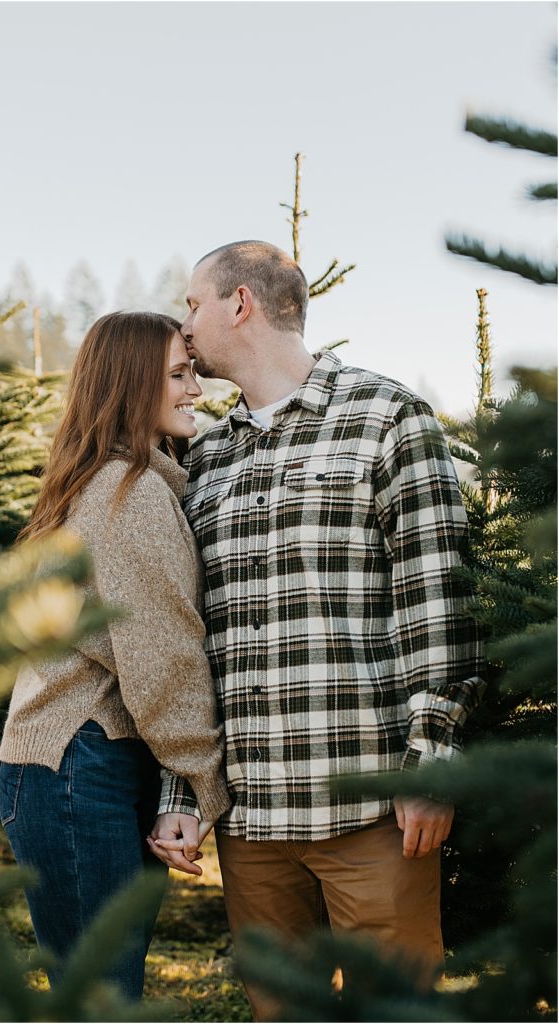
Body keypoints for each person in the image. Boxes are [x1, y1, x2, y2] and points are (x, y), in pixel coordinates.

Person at [148, 241, 485, 1019]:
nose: (185, 325)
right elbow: (189, 642)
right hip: (253, 824)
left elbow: (437, 601)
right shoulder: (208, 459)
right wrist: (184, 790)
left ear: (241, 303)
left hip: (371, 814)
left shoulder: (387, 417)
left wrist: (432, 762)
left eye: (193, 304)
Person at [0, 310, 230, 1000]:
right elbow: (164, 656)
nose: (196, 392)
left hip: (68, 766)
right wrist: (199, 784)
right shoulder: (127, 492)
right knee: (102, 997)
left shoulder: (107, 479)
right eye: (179, 375)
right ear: (132, 384)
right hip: (80, 768)